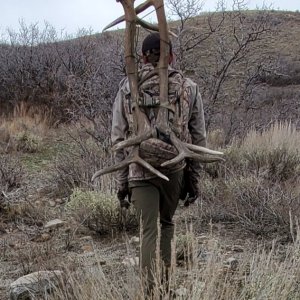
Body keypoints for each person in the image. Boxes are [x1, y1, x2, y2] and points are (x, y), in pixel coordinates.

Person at [111, 32, 207, 295]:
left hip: (139, 167)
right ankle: (164, 291)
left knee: (147, 232)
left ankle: (148, 293)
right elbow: (198, 138)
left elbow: (118, 138)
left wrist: (122, 183)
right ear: (171, 56)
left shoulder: (126, 87)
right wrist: (193, 181)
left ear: (142, 58)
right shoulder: (188, 87)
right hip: (173, 168)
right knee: (166, 224)